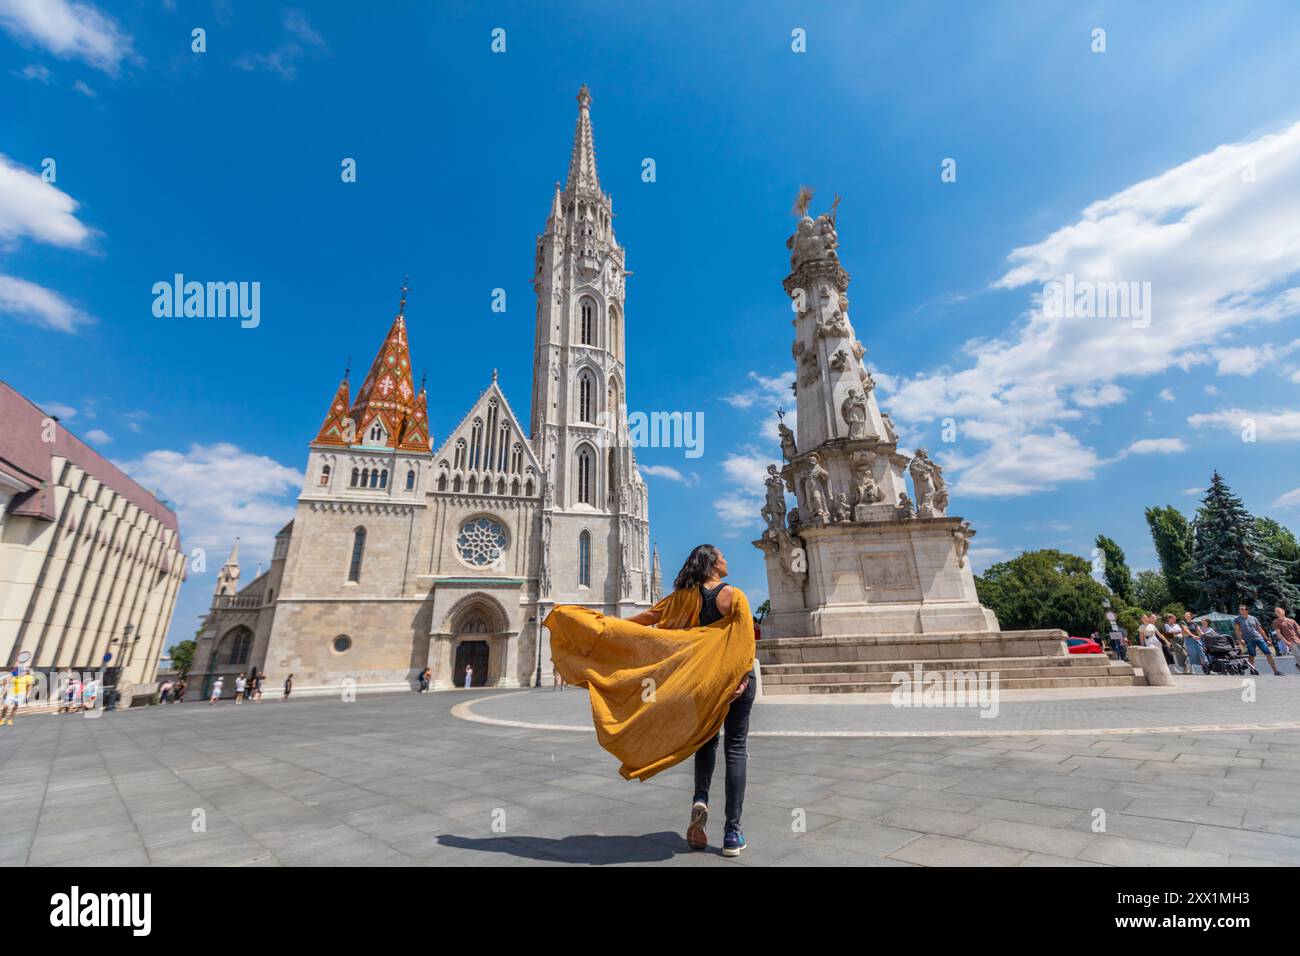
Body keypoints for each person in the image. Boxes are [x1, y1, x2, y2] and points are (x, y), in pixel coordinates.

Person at [627, 545, 754, 858]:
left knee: (706, 744)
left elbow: (644, 620)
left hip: (703, 684)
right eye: (722, 556)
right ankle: (732, 833)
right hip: (734, 683)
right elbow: (744, 641)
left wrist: (600, 626)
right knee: (735, 749)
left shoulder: (682, 599)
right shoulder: (734, 596)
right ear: (712, 563)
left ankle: (701, 798)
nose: (727, 559)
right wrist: (742, 678)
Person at [1235, 604, 1283, 676]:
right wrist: (1240, 639)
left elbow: (1260, 629)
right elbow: (1237, 631)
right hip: (1248, 640)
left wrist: (1266, 639)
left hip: (1259, 638)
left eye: (1242, 609)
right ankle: (1252, 670)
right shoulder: (1237, 619)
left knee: (1268, 654)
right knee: (1251, 656)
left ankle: (1275, 671)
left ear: (1246, 610)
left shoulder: (1253, 618)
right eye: (1239, 609)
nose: (1240, 610)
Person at [1272, 606, 1300, 670]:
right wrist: (1286, 642)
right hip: (1290, 641)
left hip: (1298, 639)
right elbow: (1279, 634)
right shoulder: (1276, 622)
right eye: (1276, 612)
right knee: (1298, 655)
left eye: (1279, 611)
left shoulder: (1291, 620)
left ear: (1283, 612)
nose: (1278, 612)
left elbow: (1298, 629)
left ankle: (1298, 665)